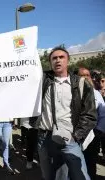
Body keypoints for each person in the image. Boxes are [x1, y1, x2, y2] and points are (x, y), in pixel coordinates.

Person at [31, 47, 96, 180]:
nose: (58, 60)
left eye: (61, 57)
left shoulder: (81, 83)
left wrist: (76, 136)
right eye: (54, 58)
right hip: (45, 138)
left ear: (68, 61)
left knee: (80, 175)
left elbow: (90, 114)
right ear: (50, 62)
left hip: (69, 139)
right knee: (49, 175)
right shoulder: (43, 80)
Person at [78, 67, 105, 180]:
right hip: (76, 136)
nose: (85, 78)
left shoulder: (96, 94)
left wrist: (98, 131)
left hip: (93, 135)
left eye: (87, 75)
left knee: (90, 163)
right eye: (82, 75)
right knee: (76, 163)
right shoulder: (72, 93)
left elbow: (103, 114)